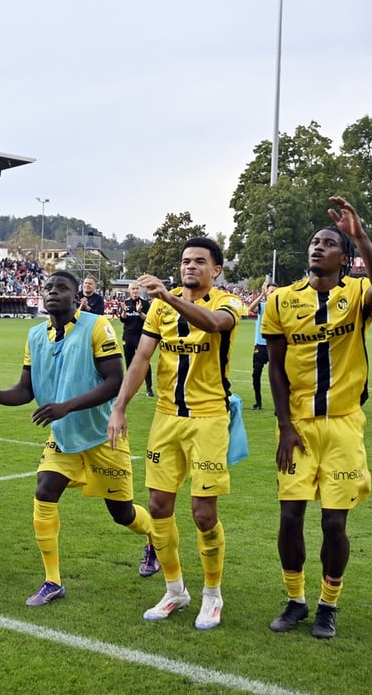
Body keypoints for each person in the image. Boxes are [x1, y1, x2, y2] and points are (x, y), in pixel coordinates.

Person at [0, 271, 154, 605]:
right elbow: (26, 390)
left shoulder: (97, 326)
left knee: (122, 515)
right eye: (48, 288)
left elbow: (116, 380)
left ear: (76, 297)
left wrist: (66, 407)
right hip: (63, 438)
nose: (53, 292)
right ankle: (52, 581)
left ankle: (153, 537)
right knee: (44, 490)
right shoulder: (35, 334)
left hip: (103, 437)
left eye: (62, 288)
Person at [263, 197, 372, 639]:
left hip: (342, 424)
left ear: (344, 256)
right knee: (289, 518)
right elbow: (276, 369)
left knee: (335, 522)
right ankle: (295, 600)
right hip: (298, 426)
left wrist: (360, 234)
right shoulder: (281, 300)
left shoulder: (356, 293)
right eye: (314, 243)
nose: (317, 248)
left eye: (328, 243)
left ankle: (328, 605)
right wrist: (283, 426)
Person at [107, 237, 241, 630]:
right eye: (186, 261)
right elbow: (143, 357)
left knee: (203, 514)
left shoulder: (226, 303)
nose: (190, 267)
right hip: (167, 419)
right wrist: (119, 407)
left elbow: (213, 324)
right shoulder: (160, 311)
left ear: (216, 270)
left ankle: (212, 595)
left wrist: (167, 296)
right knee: (160, 506)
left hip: (208, 419)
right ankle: (175, 589)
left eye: (200, 261)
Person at [119, 281, 154, 399]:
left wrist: (139, 311)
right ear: (129, 290)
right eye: (133, 289)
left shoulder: (145, 303)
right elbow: (123, 319)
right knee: (129, 363)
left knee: (145, 362)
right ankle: (132, 388)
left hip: (141, 336)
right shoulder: (126, 303)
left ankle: (149, 388)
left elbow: (148, 320)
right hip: (128, 336)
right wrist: (124, 311)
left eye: (136, 289)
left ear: (139, 290)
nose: (135, 291)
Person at [247, 282, 278, 410]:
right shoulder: (262, 306)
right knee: (256, 374)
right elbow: (251, 309)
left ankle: (279, 404)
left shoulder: (281, 308)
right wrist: (262, 295)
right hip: (260, 345)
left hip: (275, 346)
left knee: (277, 376)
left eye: (275, 292)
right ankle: (258, 402)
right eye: (271, 292)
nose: (273, 295)